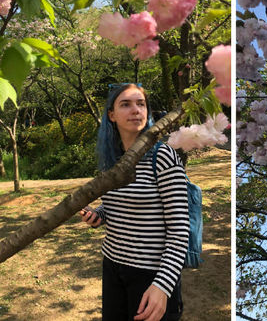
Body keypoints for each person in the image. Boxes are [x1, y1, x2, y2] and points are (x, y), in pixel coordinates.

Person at [80, 83, 189, 321]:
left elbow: (180, 231)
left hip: (151, 274)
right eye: (126, 104)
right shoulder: (112, 161)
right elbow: (113, 206)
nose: (136, 110)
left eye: (141, 104)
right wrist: (98, 216)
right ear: (111, 115)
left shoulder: (163, 156)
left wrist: (162, 286)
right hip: (112, 266)